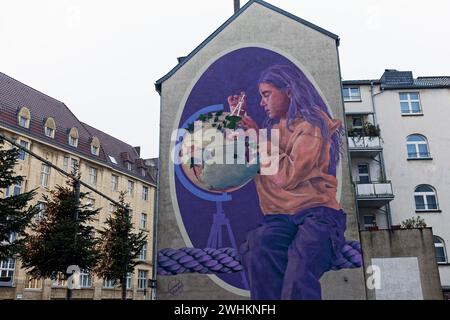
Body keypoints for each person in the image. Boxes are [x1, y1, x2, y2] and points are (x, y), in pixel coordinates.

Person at [227, 64, 349, 300]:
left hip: (318, 215)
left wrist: (256, 135)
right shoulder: (269, 131)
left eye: (266, 94)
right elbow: (241, 162)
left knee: (300, 263)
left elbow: (285, 176)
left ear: (289, 92)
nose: (262, 102)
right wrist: (236, 119)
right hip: (280, 219)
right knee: (258, 249)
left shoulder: (312, 126)